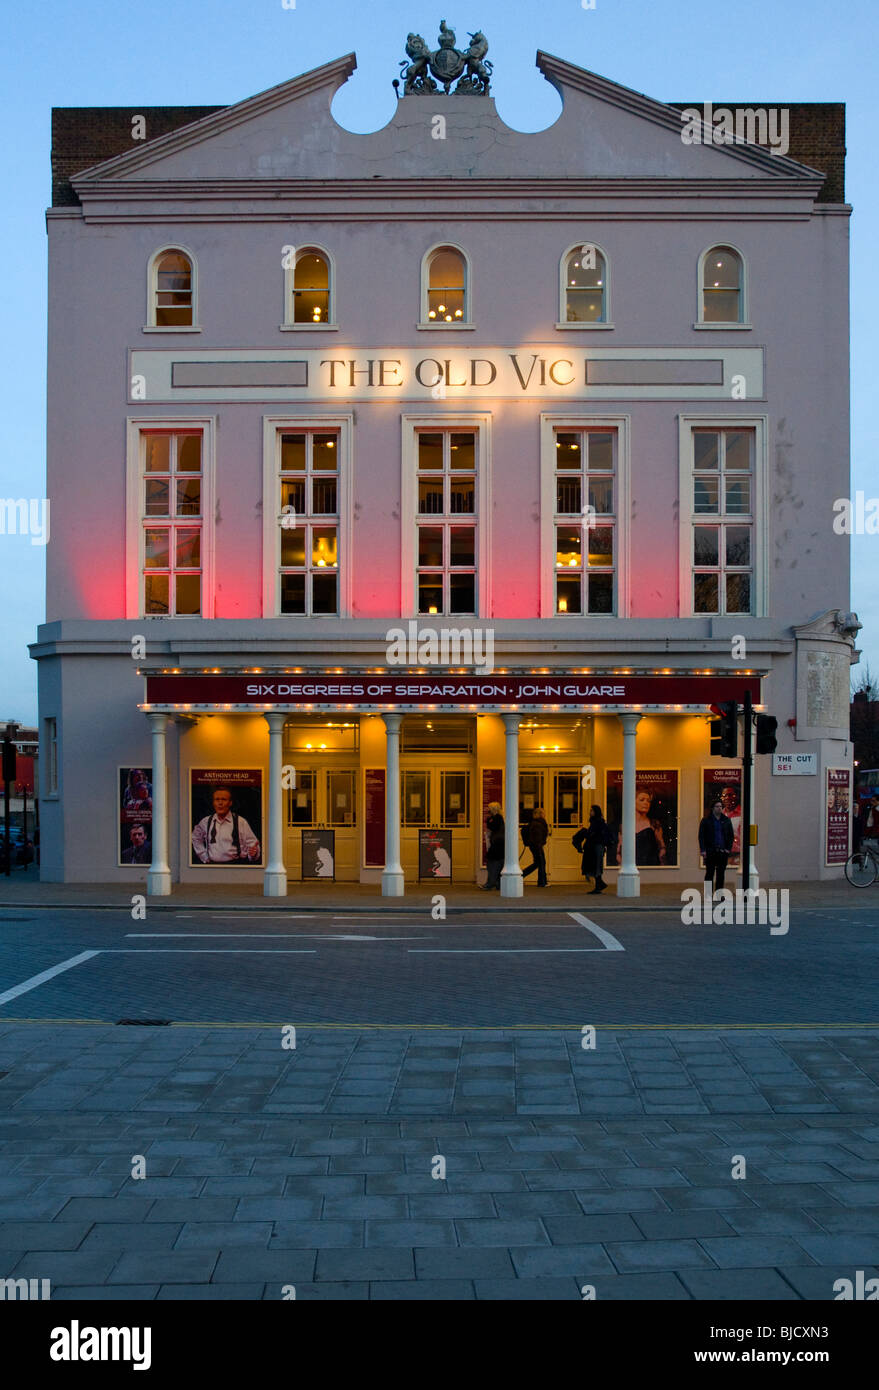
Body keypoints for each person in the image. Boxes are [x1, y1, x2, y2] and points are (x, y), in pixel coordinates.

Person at [192, 786, 261, 864]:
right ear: (213, 803)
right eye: (217, 799)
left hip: (235, 866)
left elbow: (253, 845)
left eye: (224, 799)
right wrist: (204, 856)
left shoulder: (240, 822)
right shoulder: (206, 821)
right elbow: (195, 837)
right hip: (212, 867)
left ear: (230, 803)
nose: (220, 803)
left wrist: (253, 854)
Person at [616, 788, 667, 866]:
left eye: (648, 801)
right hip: (631, 867)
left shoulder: (654, 824)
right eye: (642, 800)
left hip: (650, 866)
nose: (646, 803)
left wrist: (661, 867)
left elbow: (662, 847)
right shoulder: (625, 825)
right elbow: (619, 849)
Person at [573, 805, 612, 894]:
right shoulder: (596, 822)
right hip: (596, 846)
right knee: (595, 865)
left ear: (596, 812)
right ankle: (600, 884)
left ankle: (599, 886)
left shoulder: (598, 822)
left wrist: (584, 832)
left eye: (592, 810)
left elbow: (593, 835)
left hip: (597, 846)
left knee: (596, 865)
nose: (590, 812)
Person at [699, 798, 735, 894]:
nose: (719, 808)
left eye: (720, 806)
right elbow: (701, 836)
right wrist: (703, 850)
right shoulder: (706, 820)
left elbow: (731, 836)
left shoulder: (726, 820)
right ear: (713, 808)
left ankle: (719, 894)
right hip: (710, 851)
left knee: (721, 874)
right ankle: (708, 895)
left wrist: (728, 849)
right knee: (709, 873)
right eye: (717, 806)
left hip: (722, 852)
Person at [522, 807, 550, 887]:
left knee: (539, 863)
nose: (545, 815)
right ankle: (542, 882)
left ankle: (542, 881)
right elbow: (537, 837)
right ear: (541, 814)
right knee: (540, 863)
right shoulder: (538, 824)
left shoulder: (534, 822)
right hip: (537, 845)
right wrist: (539, 846)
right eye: (543, 813)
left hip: (535, 845)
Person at [481, 800, 504, 890]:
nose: (488, 810)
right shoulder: (499, 817)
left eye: (489, 809)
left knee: (492, 863)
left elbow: (492, 827)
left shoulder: (497, 818)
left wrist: (487, 821)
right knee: (499, 863)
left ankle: (490, 883)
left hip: (497, 844)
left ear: (493, 809)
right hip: (500, 843)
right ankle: (498, 883)